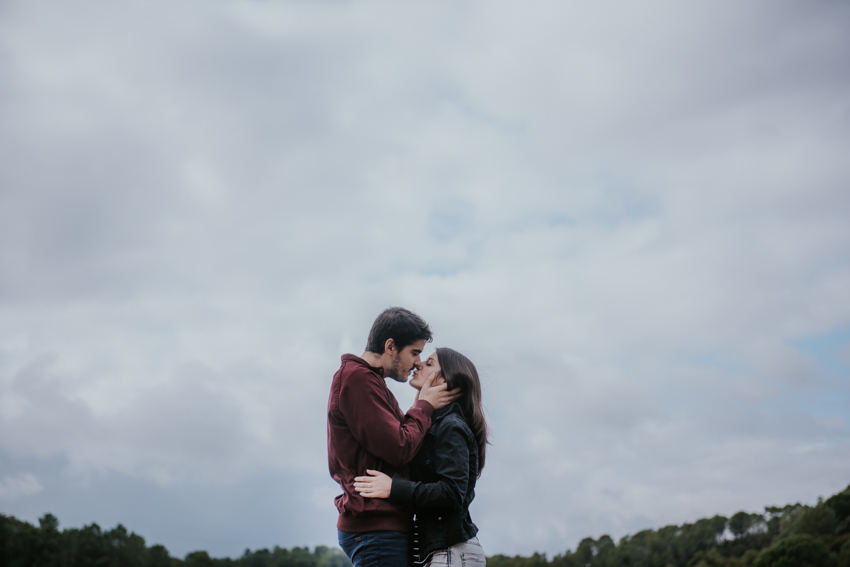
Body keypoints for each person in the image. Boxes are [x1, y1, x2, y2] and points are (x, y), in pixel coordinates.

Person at [328, 308, 461, 567]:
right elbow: (400, 447)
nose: (417, 362)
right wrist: (424, 405)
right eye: (414, 352)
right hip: (375, 529)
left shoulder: (371, 383)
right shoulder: (357, 380)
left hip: (381, 528)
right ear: (390, 346)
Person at [354, 348, 489, 567]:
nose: (418, 364)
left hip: (452, 552)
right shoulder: (434, 425)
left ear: (445, 380)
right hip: (442, 552)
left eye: (429, 363)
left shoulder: (450, 427)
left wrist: (394, 488)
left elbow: (452, 492)